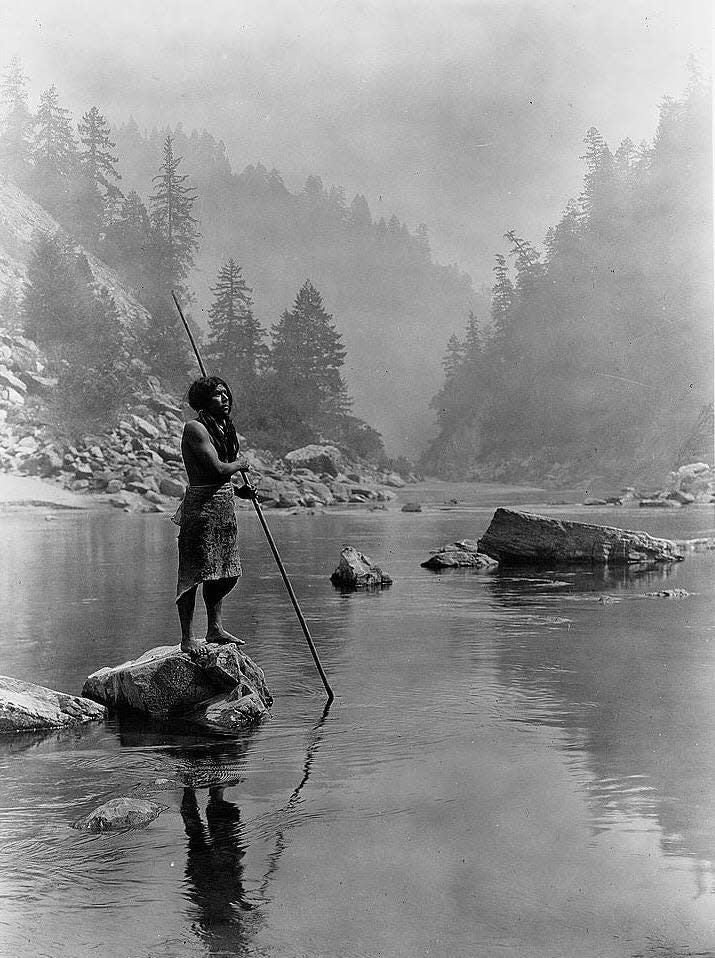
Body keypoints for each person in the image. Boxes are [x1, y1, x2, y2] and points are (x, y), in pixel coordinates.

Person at [174, 376, 256, 658]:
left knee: (223, 571)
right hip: (200, 509)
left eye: (226, 394)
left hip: (223, 505)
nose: (225, 399)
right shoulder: (195, 428)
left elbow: (222, 478)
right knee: (194, 572)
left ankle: (215, 628)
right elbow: (217, 469)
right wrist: (240, 464)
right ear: (203, 401)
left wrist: (241, 492)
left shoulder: (224, 428)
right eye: (217, 395)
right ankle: (187, 638)